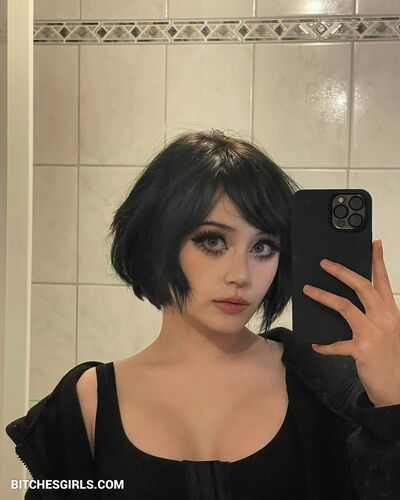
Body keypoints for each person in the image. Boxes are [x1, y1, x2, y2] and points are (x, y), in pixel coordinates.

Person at [6, 129, 400, 500]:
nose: (241, 275)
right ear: (157, 242)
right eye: (212, 241)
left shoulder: (328, 387)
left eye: (263, 247)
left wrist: (392, 405)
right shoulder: (86, 404)